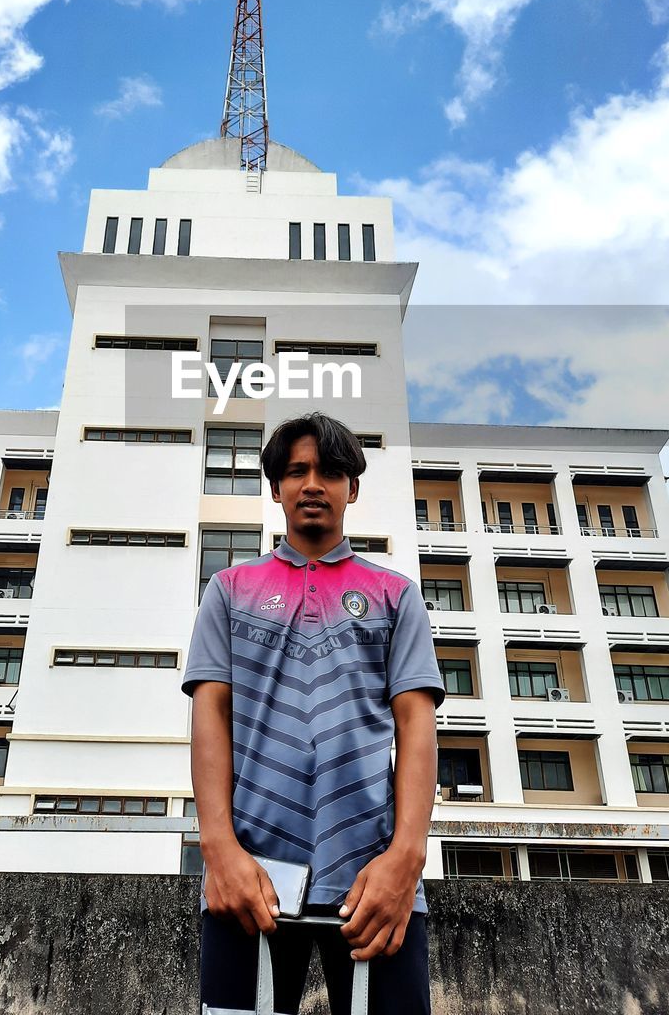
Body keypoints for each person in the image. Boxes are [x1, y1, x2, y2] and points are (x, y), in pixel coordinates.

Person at [182, 411, 444, 1014]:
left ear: (352, 487)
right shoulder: (228, 589)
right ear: (275, 488)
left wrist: (406, 858)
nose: (312, 484)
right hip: (251, 882)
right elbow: (210, 719)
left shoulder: (395, 594)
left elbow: (416, 726)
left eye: (329, 471)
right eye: (296, 471)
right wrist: (218, 851)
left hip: (372, 881)